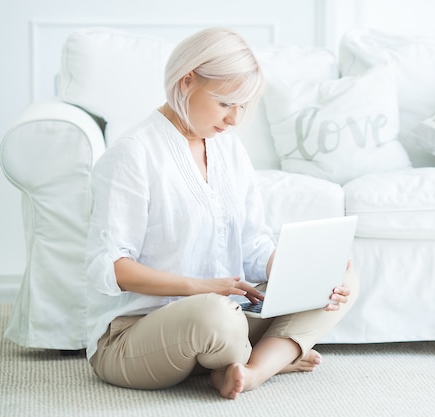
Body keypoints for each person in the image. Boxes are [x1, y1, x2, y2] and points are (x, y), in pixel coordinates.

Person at [84, 27, 359, 400]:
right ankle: (274, 357)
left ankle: (252, 370)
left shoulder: (228, 147)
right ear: (187, 82)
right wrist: (204, 289)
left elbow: (252, 242)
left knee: (342, 278)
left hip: (228, 315)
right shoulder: (133, 154)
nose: (234, 120)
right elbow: (113, 268)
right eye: (226, 103)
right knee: (217, 318)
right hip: (134, 334)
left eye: (243, 106)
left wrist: (299, 274)